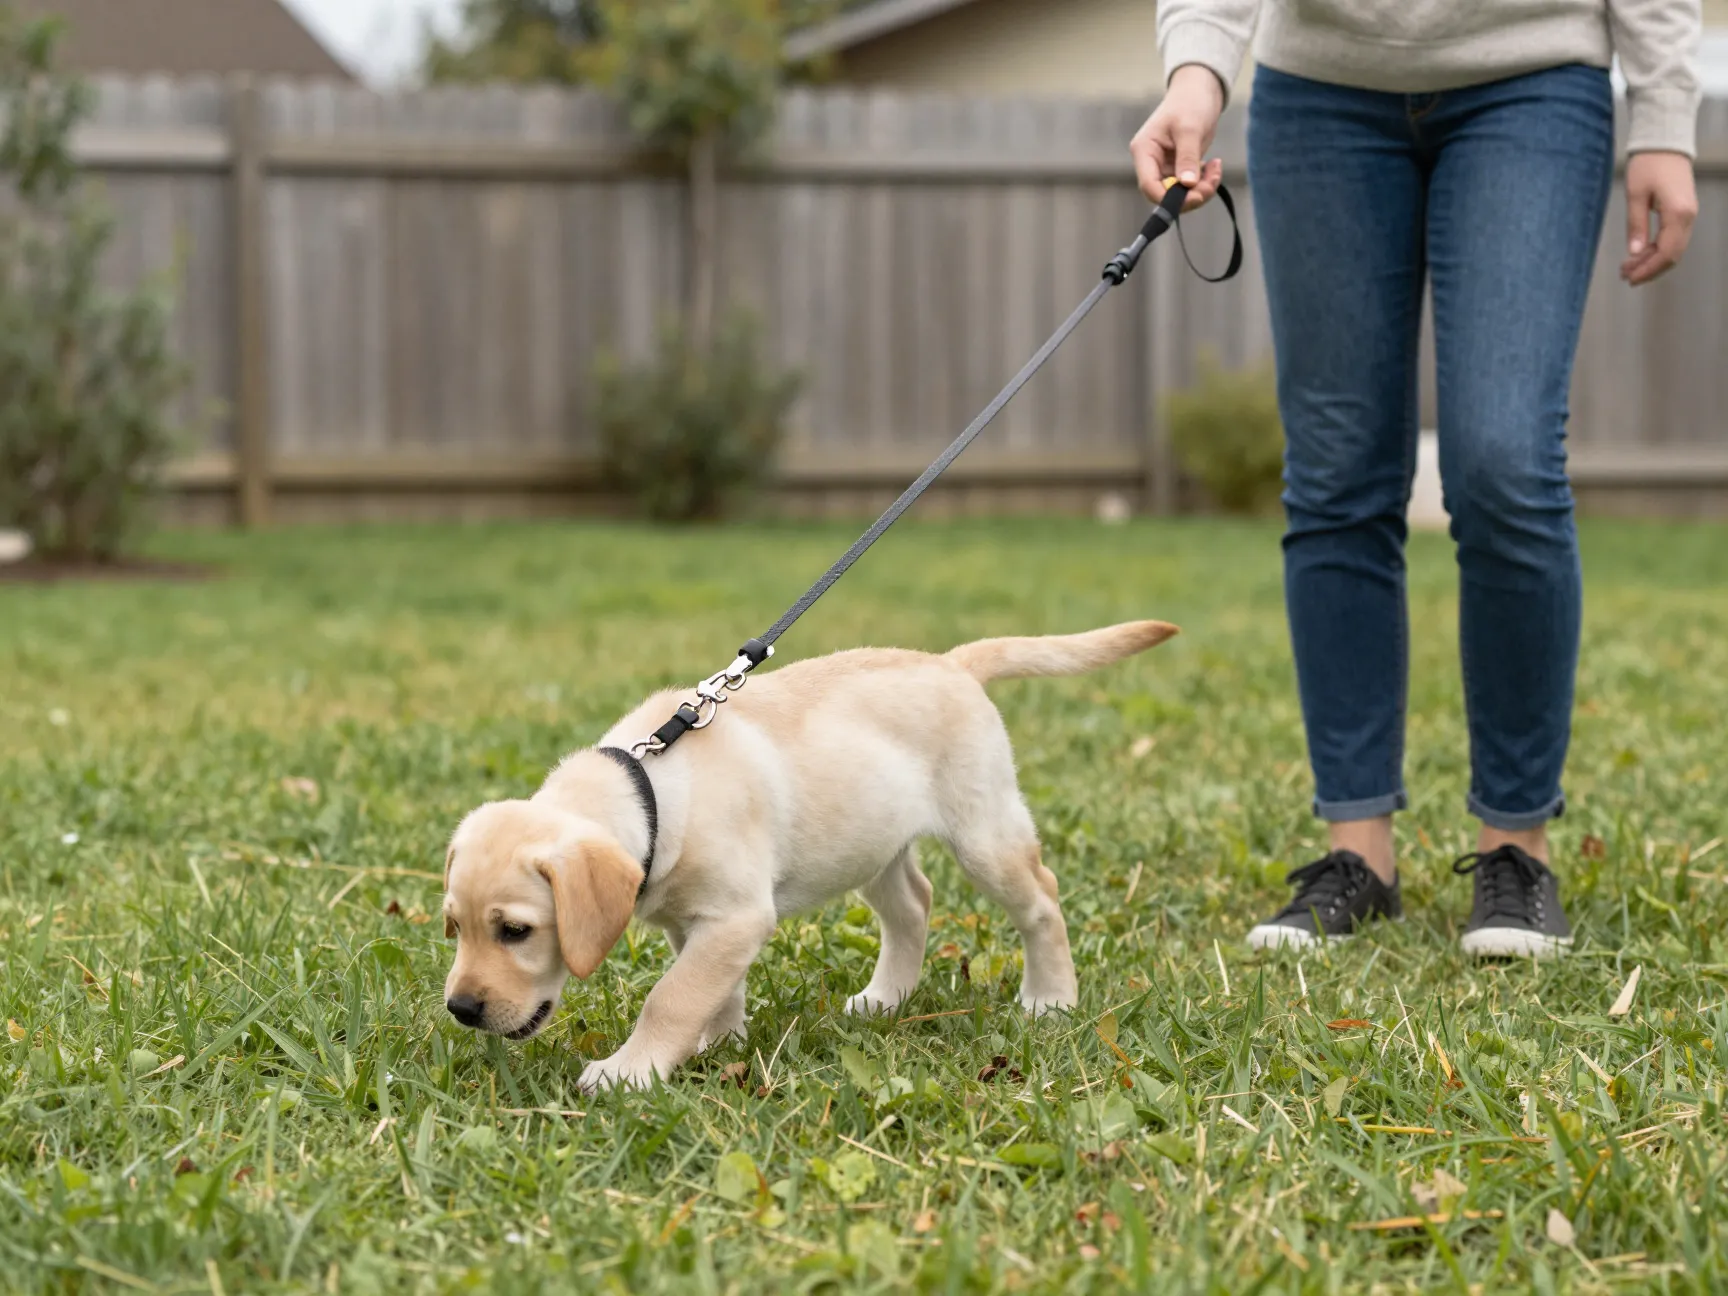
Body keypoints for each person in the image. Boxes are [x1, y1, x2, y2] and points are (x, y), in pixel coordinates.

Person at [1132, 0, 1701, 956]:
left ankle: (1516, 852)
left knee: (1506, 465)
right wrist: (1197, 68)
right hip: (1321, 91)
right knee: (1337, 474)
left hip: (1534, 80)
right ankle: (1359, 855)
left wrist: (1665, 120)